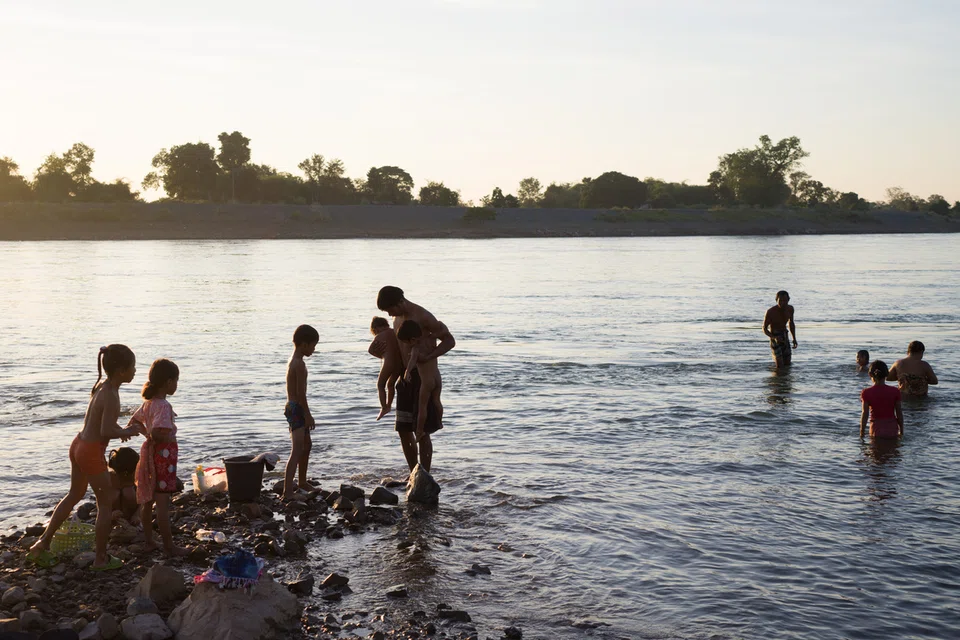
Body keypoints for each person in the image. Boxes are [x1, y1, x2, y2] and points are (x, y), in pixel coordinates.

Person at [28, 344, 141, 570]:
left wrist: (120, 430)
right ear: (121, 370)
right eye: (133, 367)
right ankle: (100, 559)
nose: (135, 371)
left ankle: (42, 543)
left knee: (74, 495)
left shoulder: (103, 386)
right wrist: (127, 431)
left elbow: (102, 424)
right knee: (105, 504)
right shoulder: (112, 394)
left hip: (78, 444)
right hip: (91, 452)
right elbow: (107, 430)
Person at [374, 286, 455, 472]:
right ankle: (413, 473)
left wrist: (429, 356)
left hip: (423, 376)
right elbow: (399, 348)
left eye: (389, 309)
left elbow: (449, 340)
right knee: (403, 429)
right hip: (405, 376)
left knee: (422, 431)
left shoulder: (423, 316)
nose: (388, 314)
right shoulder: (396, 319)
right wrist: (381, 354)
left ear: (400, 302)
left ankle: (425, 473)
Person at [129, 358, 189, 557]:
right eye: (176, 381)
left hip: (149, 455)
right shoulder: (163, 405)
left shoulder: (148, 403)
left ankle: (149, 541)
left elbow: (135, 421)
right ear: (168, 382)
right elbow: (157, 432)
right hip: (162, 458)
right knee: (162, 503)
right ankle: (169, 546)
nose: (177, 385)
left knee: (147, 500)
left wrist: (143, 432)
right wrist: (167, 435)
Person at [283, 324, 319, 500]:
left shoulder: (293, 360)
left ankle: (302, 481)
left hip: (294, 406)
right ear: (304, 344)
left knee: (307, 445)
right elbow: (300, 394)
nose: (314, 349)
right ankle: (288, 492)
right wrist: (308, 415)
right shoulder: (299, 364)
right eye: (313, 345)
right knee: (297, 449)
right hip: (297, 408)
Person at [397, 319, 443, 443]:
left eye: (406, 342)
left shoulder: (415, 348)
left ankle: (419, 431)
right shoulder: (431, 339)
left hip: (427, 381)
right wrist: (435, 333)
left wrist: (407, 373)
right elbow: (442, 326)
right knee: (436, 401)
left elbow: (412, 363)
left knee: (422, 407)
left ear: (412, 340)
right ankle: (440, 421)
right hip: (437, 378)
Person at [368, 316, 402, 421]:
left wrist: (381, 355)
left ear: (376, 328)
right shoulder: (396, 332)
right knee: (391, 384)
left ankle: (384, 407)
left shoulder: (380, 336)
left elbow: (370, 350)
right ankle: (389, 404)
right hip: (400, 363)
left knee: (380, 384)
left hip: (389, 362)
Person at [860, 360, 903, 439]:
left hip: (876, 428)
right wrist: (902, 431)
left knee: (875, 450)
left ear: (870, 374)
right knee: (892, 450)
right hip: (892, 428)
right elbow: (899, 413)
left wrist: (862, 432)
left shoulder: (866, 392)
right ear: (886, 374)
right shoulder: (895, 391)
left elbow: (865, 414)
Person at [762, 290, 798, 368]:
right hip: (774, 336)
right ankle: (777, 378)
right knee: (779, 365)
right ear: (776, 300)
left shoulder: (790, 309)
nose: (783, 303)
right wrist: (774, 337)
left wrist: (794, 338)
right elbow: (764, 328)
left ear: (788, 300)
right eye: (780, 301)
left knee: (787, 363)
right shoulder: (771, 312)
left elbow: (791, 323)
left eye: (785, 300)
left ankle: (786, 379)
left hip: (784, 335)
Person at [107, 447, 140, 524]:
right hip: (112, 516)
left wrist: (137, 515)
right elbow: (100, 501)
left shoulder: (134, 477)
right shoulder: (108, 478)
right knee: (115, 493)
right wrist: (109, 514)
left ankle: (129, 518)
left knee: (127, 491)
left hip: (132, 517)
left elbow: (144, 501)